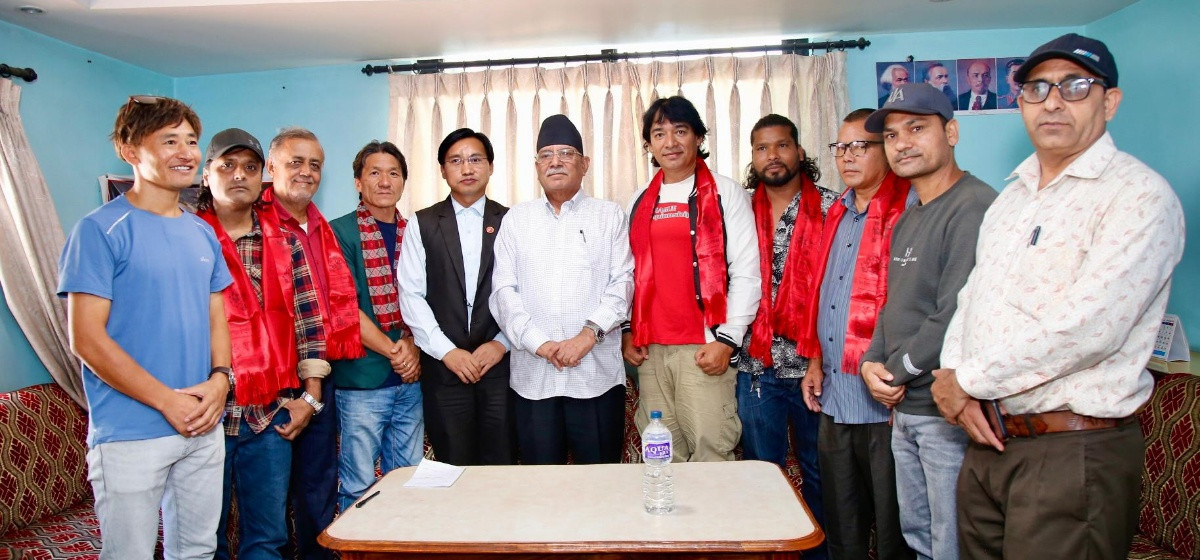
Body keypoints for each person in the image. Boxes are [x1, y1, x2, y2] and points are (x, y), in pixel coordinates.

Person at [933, 33, 1185, 560]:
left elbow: (1090, 328)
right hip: (989, 440)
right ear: (1021, 102)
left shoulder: (1138, 196)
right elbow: (972, 298)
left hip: (1072, 450)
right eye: (1037, 88)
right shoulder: (1012, 198)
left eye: (1074, 86)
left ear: (1109, 102)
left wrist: (966, 381)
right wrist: (952, 378)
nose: (1052, 102)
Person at [58, 95, 232, 559]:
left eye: (191, 141)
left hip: (203, 423)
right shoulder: (99, 230)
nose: (186, 152)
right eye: (170, 141)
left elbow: (217, 317)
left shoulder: (201, 231)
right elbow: (86, 339)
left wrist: (221, 380)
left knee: (197, 552)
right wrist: (167, 401)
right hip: (130, 431)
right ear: (130, 150)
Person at [860, 83, 997, 560]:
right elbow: (893, 304)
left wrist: (894, 373)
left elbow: (955, 312)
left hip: (947, 411)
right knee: (918, 535)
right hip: (906, 409)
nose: (902, 143)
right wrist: (870, 362)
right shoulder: (911, 215)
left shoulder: (974, 206)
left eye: (916, 128)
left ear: (951, 132)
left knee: (951, 543)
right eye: (892, 135)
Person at [196, 128, 329, 560]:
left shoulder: (285, 242)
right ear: (206, 175)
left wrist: (310, 400)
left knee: (268, 538)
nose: (240, 175)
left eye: (250, 168)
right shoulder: (187, 240)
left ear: (262, 178)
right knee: (202, 540)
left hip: (269, 415)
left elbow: (309, 322)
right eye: (227, 166)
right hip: (203, 417)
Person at [800, 108, 916, 560]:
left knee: (893, 527)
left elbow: (914, 306)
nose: (846, 156)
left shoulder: (909, 210)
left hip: (884, 399)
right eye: (840, 147)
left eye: (859, 146)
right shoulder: (838, 212)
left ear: (886, 149)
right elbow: (822, 294)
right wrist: (814, 361)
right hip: (835, 395)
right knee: (842, 522)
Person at [489, 114, 634, 464]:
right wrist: (538, 343)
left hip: (595, 377)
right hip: (533, 379)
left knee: (600, 483)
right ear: (537, 166)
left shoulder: (609, 215)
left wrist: (587, 336)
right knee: (541, 485)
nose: (555, 161)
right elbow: (503, 291)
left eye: (566, 153)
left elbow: (623, 283)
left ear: (585, 164)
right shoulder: (516, 220)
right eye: (546, 155)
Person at [624, 95, 761, 462]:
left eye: (680, 131)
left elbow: (747, 271)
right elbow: (628, 273)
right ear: (649, 145)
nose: (670, 142)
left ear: (698, 137)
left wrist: (728, 340)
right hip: (651, 352)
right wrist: (627, 332)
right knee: (661, 458)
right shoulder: (639, 200)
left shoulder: (726, 192)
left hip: (704, 349)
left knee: (710, 455)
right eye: (659, 134)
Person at [735, 113, 836, 559]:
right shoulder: (737, 211)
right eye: (762, 148)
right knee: (762, 474)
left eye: (781, 145)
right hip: (756, 366)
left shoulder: (834, 208)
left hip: (817, 367)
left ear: (799, 151)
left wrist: (819, 358)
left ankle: (818, 555)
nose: (772, 155)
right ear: (753, 157)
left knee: (819, 471)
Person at [264, 127, 364, 560]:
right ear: (271, 167)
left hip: (320, 372)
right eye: (295, 162)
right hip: (269, 379)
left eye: (315, 164)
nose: (306, 172)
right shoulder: (254, 224)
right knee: (269, 493)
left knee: (318, 481)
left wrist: (314, 387)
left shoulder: (321, 227)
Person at [398, 128, 515, 466]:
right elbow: (411, 294)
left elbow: (525, 292)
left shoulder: (511, 221)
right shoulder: (422, 223)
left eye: (475, 159)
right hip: (444, 369)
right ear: (443, 170)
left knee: (502, 465)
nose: (467, 169)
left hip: (500, 367)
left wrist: (502, 343)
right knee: (452, 466)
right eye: (456, 161)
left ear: (490, 167)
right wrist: (446, 351)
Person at [329, 141, 425, 511]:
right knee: (358, 486)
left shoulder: (415, 231)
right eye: (374, 173)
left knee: (409, 480)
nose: (385, 181)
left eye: (393, 173)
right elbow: (343, 307)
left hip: (410, 379)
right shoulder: (338, 232)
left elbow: (426, 299)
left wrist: (412, 345)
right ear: (358, 182)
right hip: (362, 380)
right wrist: (396, 352)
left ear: (403, 182)